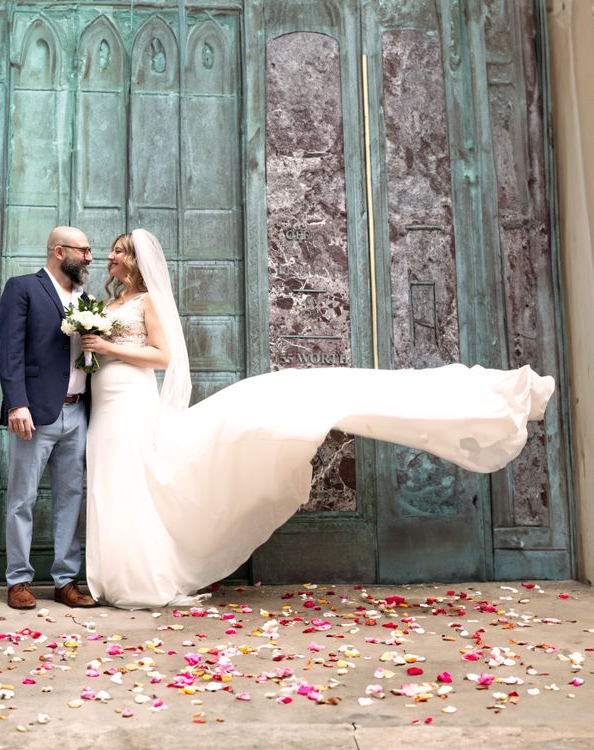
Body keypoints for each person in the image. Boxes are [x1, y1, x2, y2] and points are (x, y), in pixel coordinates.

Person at [81, 229, 555, 610]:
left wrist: (106, 347)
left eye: (118, 254)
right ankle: (111, 576)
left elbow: (164, 357)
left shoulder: (147, 304)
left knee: (133, 480)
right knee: (111, 482)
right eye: (109, 254)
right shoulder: (106, 305)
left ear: (137, 263)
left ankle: (139, 579)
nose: (110, 260)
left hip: (132, 404)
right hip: (104, 405)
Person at [0, 226, 97, 610]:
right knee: (22, 498)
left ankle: (65, 581)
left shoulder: (85, 297)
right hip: (35, 413)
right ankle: (19, 581)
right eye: (83, 250)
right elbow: (9, 351)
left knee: (70, 498)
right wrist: (16, 403)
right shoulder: (22, 288)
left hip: (78, 410)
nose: (90, 257)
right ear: (59, 251)